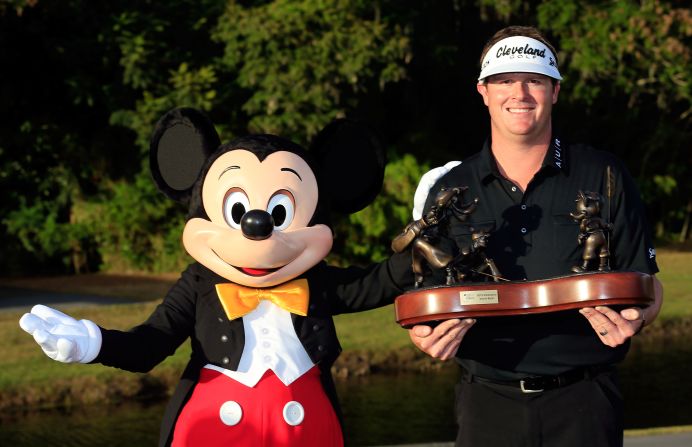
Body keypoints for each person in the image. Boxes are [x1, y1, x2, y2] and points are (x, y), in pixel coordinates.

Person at [407, 25, 663, 447]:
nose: (520, 93)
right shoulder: (451, 186)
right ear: (483, 91)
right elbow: (429, 295)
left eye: (535, 80)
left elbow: (648, 286)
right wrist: (422, 334)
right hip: (486, 402)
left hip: (585, 401)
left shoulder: (605, 173)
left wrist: (638, 318)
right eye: (505, 80)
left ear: (555, 91)